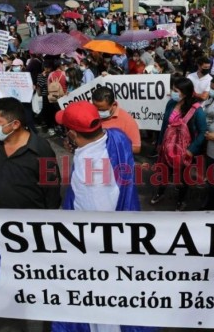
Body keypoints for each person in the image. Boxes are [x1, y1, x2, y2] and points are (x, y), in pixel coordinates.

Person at [52, 101, 151, 332]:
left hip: (99, 259)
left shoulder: (89, 177)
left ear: (72, 133)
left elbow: (94, 226)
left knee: (101, 312)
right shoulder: (116, 137)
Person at [151, 77, 207, 210]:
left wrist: (191, 150)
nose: (172, 92)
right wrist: (159, 143)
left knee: (183, 176)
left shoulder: (197, 110)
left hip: (185, 150)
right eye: (173, 89)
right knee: (164, 172)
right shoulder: (171, 103)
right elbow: (164, 125)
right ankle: (160, 192)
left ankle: (181, 200)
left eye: (176, 90)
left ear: (186, 93)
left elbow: (203, 132)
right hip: (167, 147)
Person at [92, 87, 141, 154]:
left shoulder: (127, 120)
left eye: (102, 110)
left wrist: (112, 148)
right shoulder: (91, 115)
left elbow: (136, 148)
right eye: (95, 109)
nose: (98, 112)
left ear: (113, 104)